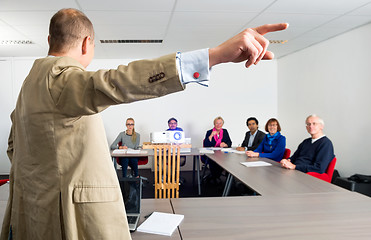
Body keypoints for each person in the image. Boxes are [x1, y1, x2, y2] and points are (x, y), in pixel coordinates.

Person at [2, 7, 288, 240]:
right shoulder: (60, 76)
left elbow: (14, 147)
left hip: (32, 211)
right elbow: (116, 82)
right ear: (88, 43)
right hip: (69, 218)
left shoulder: (30, 84)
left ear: (49, 39)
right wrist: (212, 57)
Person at [203, 116, 232, 181]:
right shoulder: (209, 132)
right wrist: (211, 136)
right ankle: (215, 176)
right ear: (214, 124)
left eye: (220, 123)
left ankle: (228, 180)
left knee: (229, 161)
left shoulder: (225, 131)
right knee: (214, 161)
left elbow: (229, 142)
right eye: (217, 123)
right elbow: (206, 145)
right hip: (212, 154)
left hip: (223, 154)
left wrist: (225, 144)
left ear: (222, 124)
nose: (218, 125)